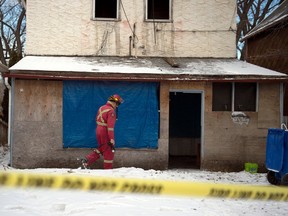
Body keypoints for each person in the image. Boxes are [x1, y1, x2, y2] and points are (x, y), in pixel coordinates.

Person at [81, 94, 123, 169]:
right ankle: (108, 171)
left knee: (102, 147)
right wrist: (112, 139)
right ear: (114, 102)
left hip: (98, 130)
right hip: (105, 131)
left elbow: (97, 119)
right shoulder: (111, 111)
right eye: (117, 104)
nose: (117, 106)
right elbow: (110, 127)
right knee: (109, 150)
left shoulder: (101, 108)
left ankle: (87, 160)